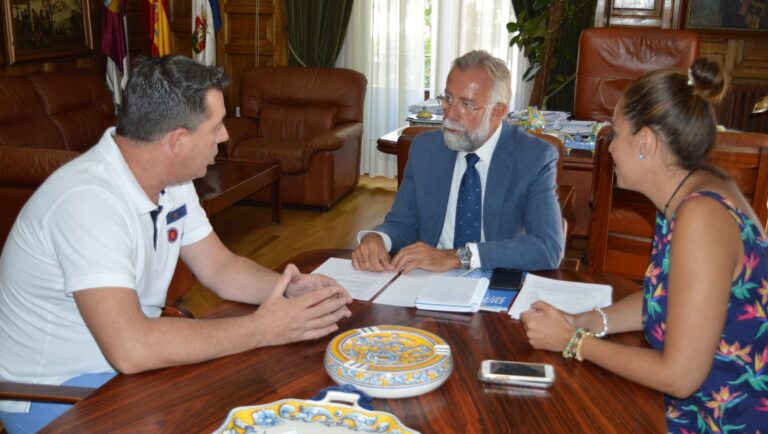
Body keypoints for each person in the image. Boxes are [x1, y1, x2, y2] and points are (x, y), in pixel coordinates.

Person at [0, 56, 352, 433]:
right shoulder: (88, 201)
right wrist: (261, 329)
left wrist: (289, 289)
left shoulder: (174, 182)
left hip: (127, 371)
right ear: (178, 141)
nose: (225, 136)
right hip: (57, 393)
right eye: (216, 127)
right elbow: (132, 348)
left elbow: (221, 268)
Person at [521, 58, 768, 432]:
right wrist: (585, 320)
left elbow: (680, 377)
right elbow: (667, 296)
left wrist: (574, 341)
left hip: (719, 420)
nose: (609, 148)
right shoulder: (692, 191)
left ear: (645, 142)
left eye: (616, 133)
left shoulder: (701, 216)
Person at [352, 50, 564, 274]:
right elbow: (402, 224)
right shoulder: (426, 149)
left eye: (466, 104)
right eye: (448, 99)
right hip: (426, 279)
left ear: (497, 112)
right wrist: (378, 238)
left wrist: (456, 257)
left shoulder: (533, 157)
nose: (451, 114)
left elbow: (547, 247)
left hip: (494, 277)